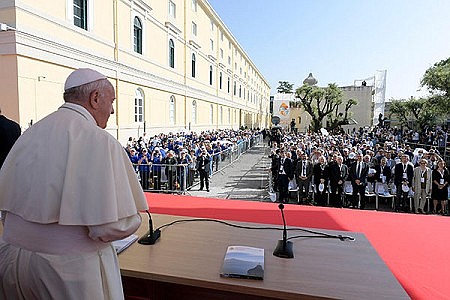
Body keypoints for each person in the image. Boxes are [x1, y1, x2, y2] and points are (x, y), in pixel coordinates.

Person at [0, 68, 148, 299]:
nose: (112, 110)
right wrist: (135, 219)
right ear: (95, 98)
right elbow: (110, 227)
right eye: (112, 101)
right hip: (64, 270)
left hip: (13, 262)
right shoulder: (99, 140)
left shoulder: (30, 133)